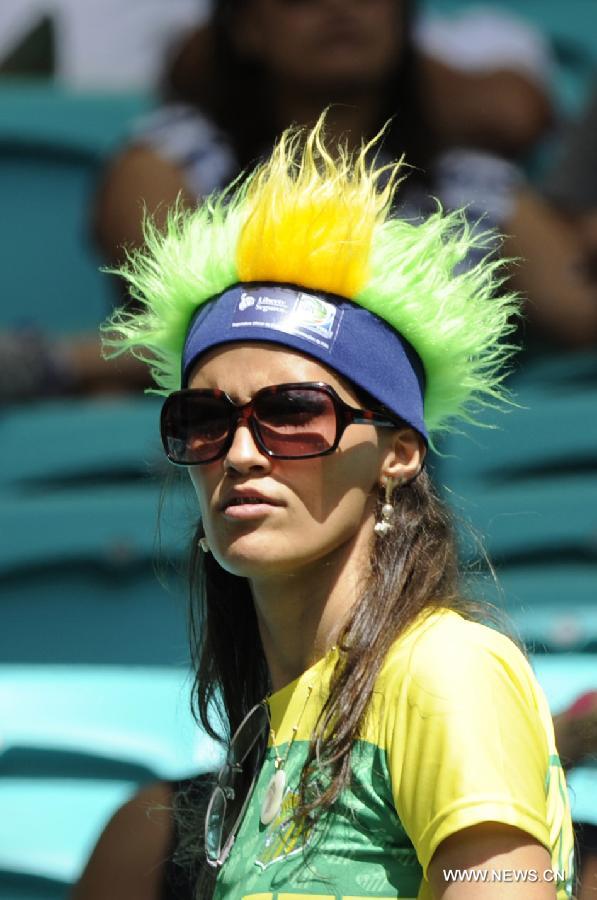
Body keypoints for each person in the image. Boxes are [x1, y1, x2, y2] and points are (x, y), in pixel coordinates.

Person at [95, 117, 574, 899]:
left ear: (399, 452)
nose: (241, 454)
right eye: (205, 420)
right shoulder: (275, 725)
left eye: (292, 412)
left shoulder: (445, 671)